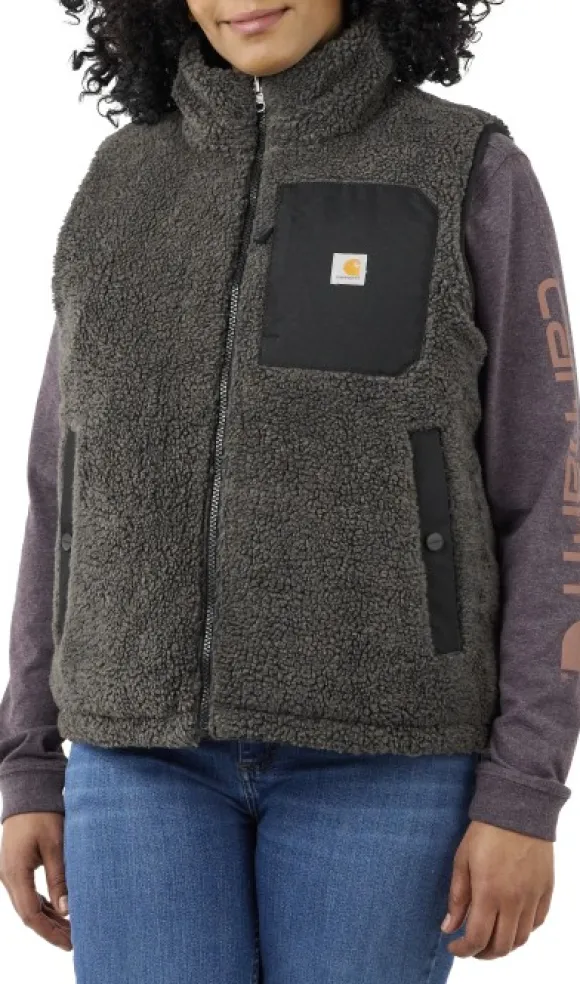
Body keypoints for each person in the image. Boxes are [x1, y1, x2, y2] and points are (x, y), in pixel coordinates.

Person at [0, 1, 578, 981]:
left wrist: (525, 786)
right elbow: (65, 489)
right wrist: (27, 758)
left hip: (387, 760)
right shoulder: (122, 179)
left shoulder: (465, 167)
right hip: (135, 759)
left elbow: (547, 494)